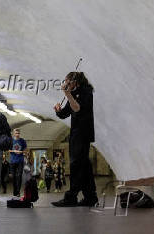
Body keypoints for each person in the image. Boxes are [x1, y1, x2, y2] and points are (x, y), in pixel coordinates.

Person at [52, 72, 98, 207]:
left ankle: (71, 197)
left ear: (74, 81)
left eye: (67, 81)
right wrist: (58, 111)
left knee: (76, 165)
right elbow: (66, 113)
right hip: (76, 133)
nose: (65, 84)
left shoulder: (86, 92)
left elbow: (77, 108)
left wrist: (67, 95)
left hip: (83, 133)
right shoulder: (73, 93)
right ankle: (90, 197)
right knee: (84, 167)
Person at [9, 128, 27, 197]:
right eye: (16, 133)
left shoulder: (22, 141)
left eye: (18, 133)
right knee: (13, 177)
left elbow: (25, 150)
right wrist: (14, 151)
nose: (17, 134)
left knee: (19, 176)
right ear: (14, 133)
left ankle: (18, 191)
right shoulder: (11, 140)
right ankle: (15, 191)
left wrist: (22, 152)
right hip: (13, 161)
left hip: (20, 160)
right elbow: (8, 150)